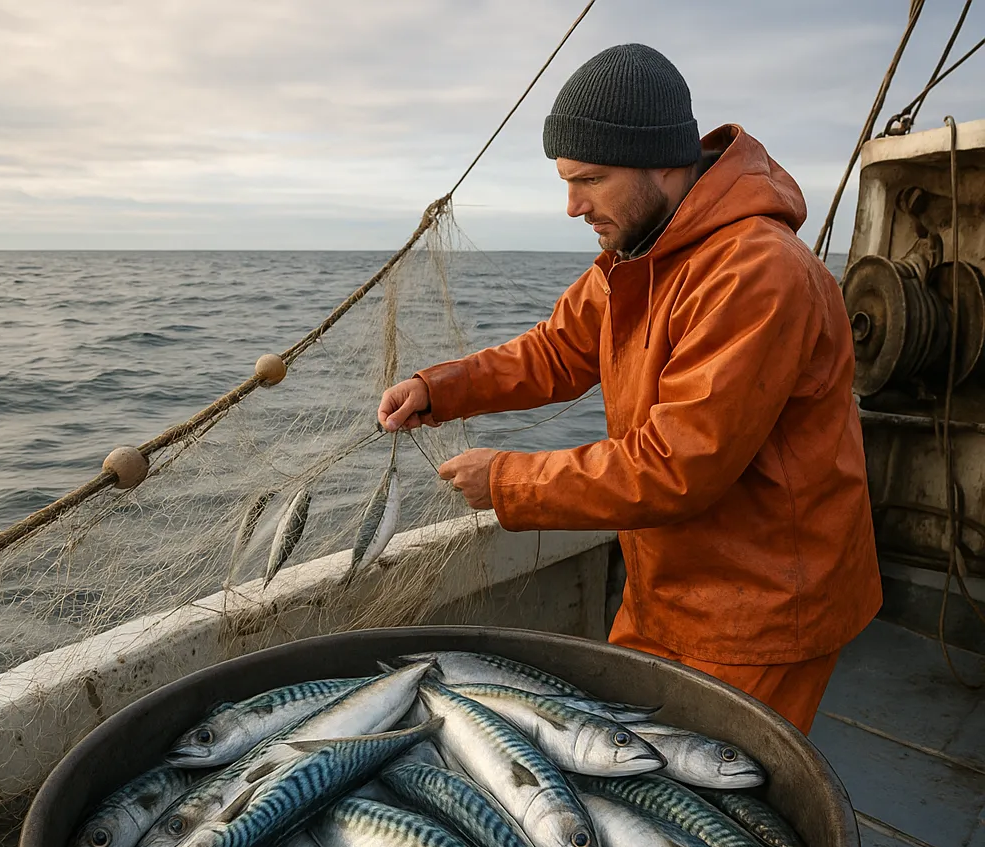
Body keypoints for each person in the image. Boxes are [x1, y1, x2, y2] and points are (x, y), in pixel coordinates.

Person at [377, 43, 881, 734]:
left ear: (664, 163)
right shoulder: (637, 255)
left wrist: (508, 483)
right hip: (664, 591)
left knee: (713, 812)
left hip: (762, 608)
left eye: (591, 179)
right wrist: (438, 389)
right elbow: (556, 350)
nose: (573, 206)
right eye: (566, 181)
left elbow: (678, 465)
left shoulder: (758, 273)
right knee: (629, 773)